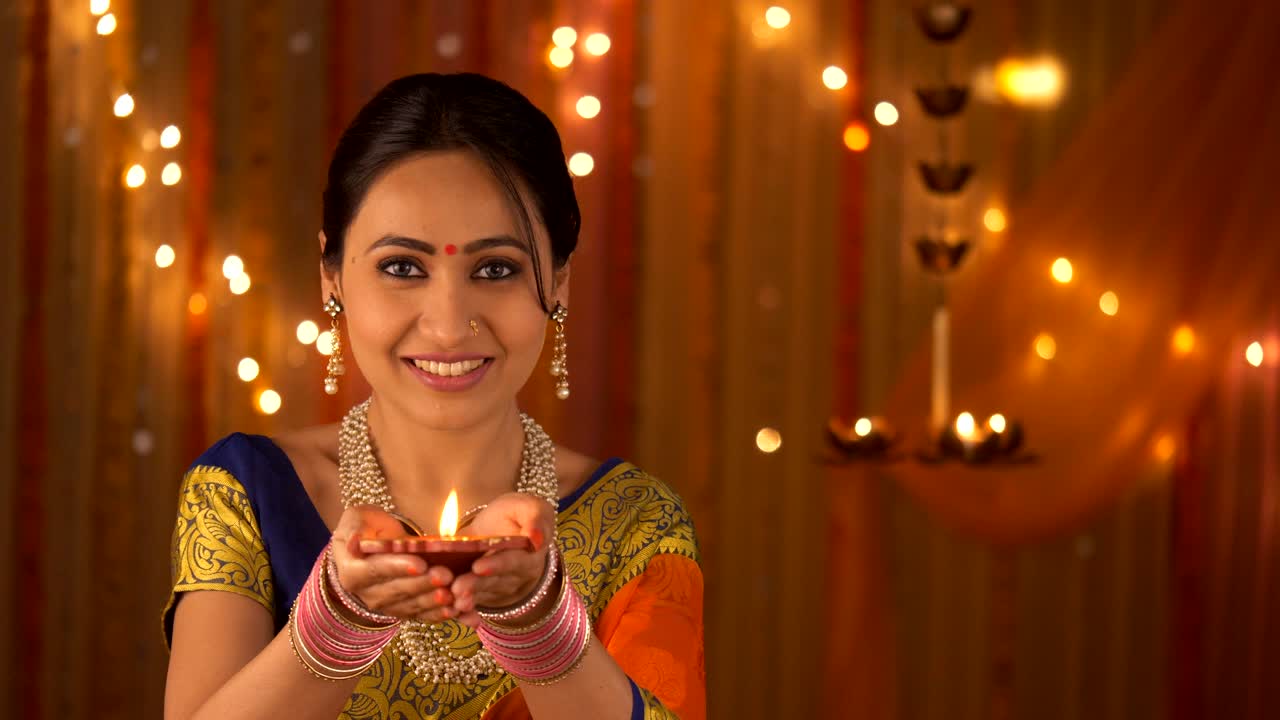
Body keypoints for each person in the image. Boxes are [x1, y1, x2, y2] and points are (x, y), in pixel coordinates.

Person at [162, 73, 704, 720]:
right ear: (331, 277)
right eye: (402, 268)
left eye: (496, 269)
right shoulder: (246, 493)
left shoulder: (633, 522)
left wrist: (539, 625)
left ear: (558, 283)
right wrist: (336, 621)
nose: (448, 326)